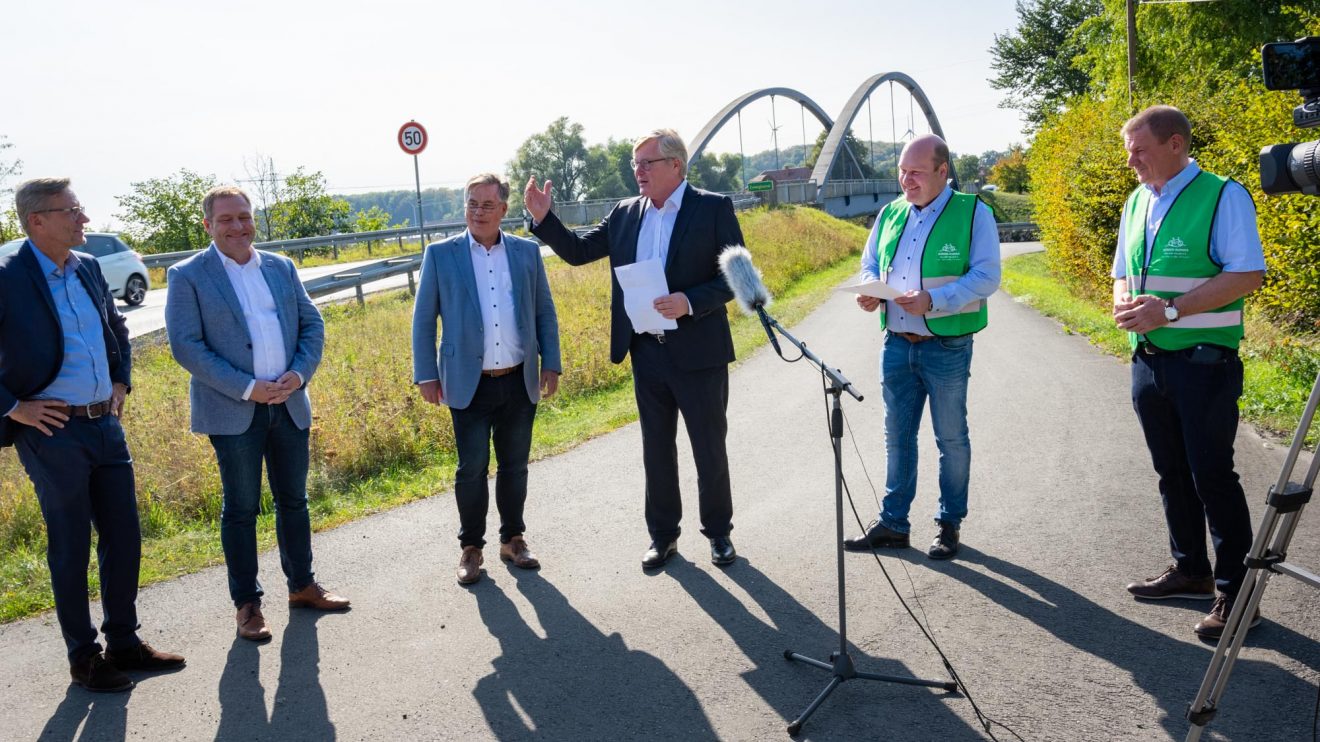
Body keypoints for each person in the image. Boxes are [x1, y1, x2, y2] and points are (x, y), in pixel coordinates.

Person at [525, 128, 742, 569]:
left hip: (699, 350)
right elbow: (579, 251)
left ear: (676, 165)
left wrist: (690, 302)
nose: (638, 171)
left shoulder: (712, 208)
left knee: (709, 447)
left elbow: (735, 276)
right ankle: (663, 536)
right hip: (647, 351)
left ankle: (719, 533)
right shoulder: (624, 213)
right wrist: (545, 220)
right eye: (634, 165)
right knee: (656, 448)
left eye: (647, 163)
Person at [0, 178, 184, 692]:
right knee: (71, 544)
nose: (84, 220)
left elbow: (116, 331)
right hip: (52, 432)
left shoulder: (89, 269)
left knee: (124, 536)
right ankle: (84, 656)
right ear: (37, 221)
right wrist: (16, 408)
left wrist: (122, 378)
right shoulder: (7, 278)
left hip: (105, 423)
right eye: (72, 211)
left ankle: (124, 641)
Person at [165, 186, 349, 642]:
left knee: (294, 501)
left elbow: (312, 323)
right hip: (233, 412)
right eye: (226, 219)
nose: (237, 226)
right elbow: (186, 346)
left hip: (288, 403)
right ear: (208, 225)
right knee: (241, 509)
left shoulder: (281, 267)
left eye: (244, 217)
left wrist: (299, 374)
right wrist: (247, 387)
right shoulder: (188, 275)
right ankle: (247, 604)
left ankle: (302, 586)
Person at [1111, 105, 1266, 639]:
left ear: (1176, 144)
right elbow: (1121, 274)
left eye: (1140, 150)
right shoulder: (1137, 201)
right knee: (1171, 474)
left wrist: (1170, 311)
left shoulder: (1224, 195)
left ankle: (1237, 596)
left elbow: (1248, 274)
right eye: (1129, 150)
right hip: (1148, 361)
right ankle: (1191, 570)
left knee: (1212, 477)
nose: (1131, 160)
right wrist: (1124, 302)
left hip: (1203, 363)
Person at [844, 134, 1001, 561]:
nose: (905, 179)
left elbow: (987, 276)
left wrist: (936, 299)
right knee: (897, 437)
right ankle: (893, 524)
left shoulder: (973, 213)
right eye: (901, 170)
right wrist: (870, 289)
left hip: (946, 345)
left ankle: (949, 525)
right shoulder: (890, 213)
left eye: (915, 171)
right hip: (896, 344)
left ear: (942, 171)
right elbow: (871, 261)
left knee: (951, 439)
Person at [412, 173, 561, 586]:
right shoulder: (441, 255)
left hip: (518, 379)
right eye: (471, 204)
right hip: (467, 382)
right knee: (472, 468)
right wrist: (425, 373)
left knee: (515, 466)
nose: (478, 212)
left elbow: (544, 312)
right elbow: (423, 320)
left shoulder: (527, 253)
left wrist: (552, 362)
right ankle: (471, 547)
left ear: (504, 210)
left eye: (487, 205)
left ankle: (513, 539)